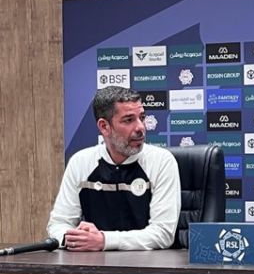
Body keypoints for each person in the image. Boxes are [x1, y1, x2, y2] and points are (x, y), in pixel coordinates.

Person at [47, 86, 181, 251]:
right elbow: (59, 224)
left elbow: (163, 234)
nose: (140, 127)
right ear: (104, 126)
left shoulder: (162, 161)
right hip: (93, 263)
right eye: (128, 120)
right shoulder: (80, 162)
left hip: (150, 264)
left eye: (142, 117)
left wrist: (104, 240)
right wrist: (76, 239)